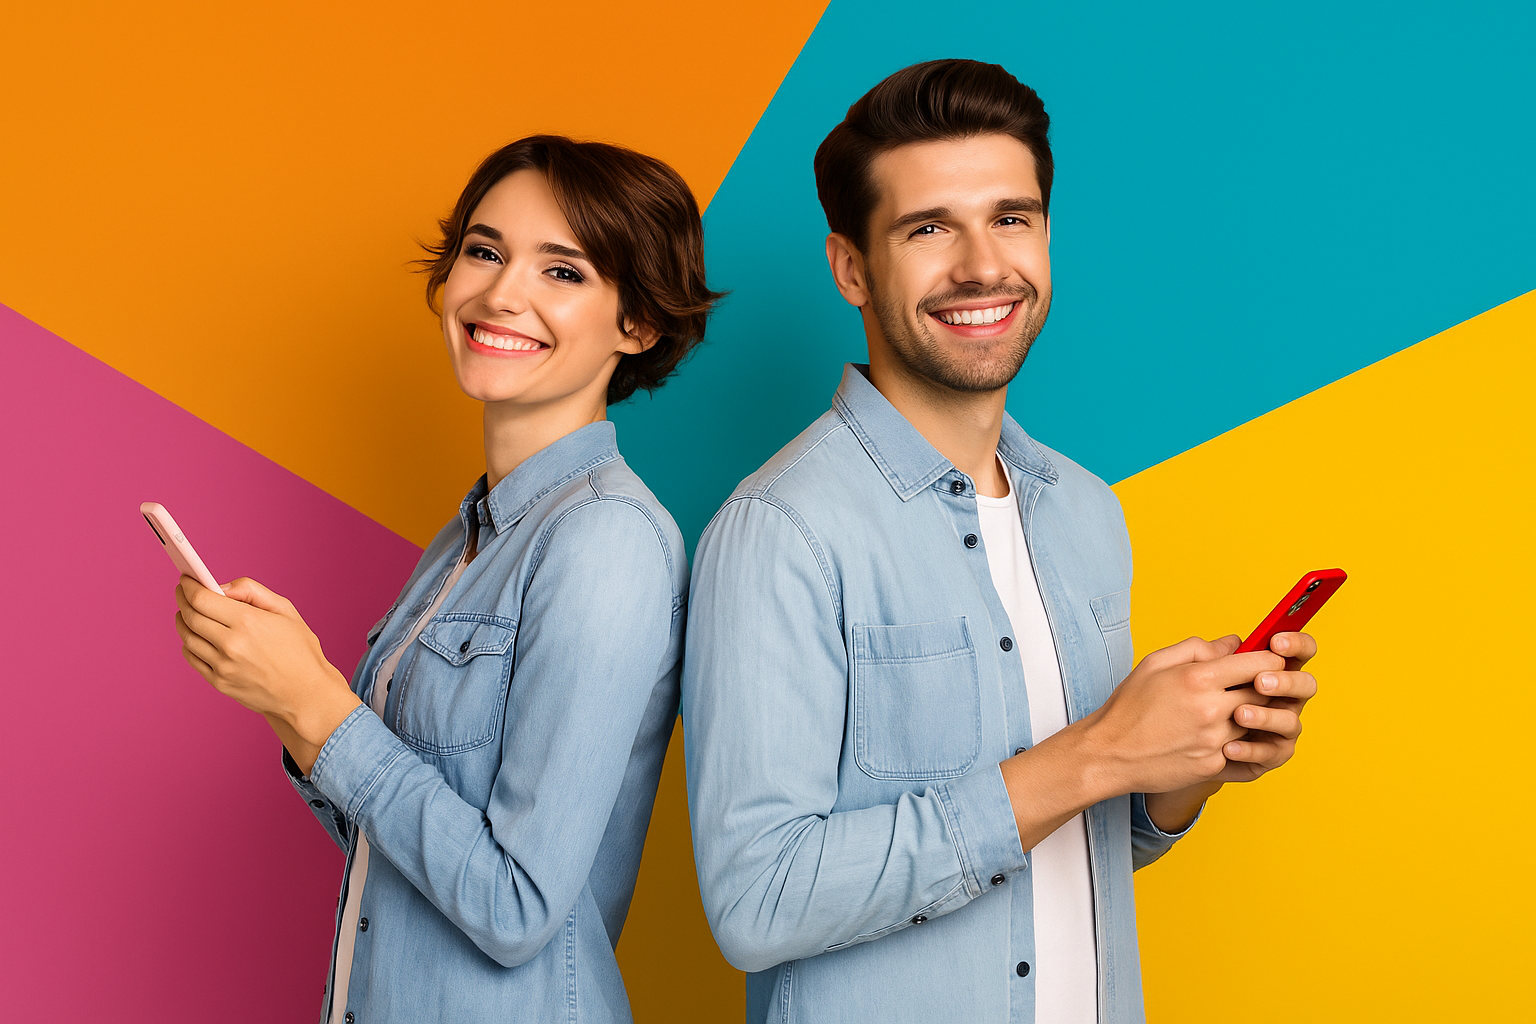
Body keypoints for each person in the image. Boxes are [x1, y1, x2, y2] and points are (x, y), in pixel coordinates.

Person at [681, 60, 1319, 1023]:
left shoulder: (1086, 511)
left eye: (1011, 218)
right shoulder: (781, 530)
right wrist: (1098, 753)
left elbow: (1078, 845)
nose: (983, 266)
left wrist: (1179, 768)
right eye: (929, 228)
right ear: (851, 268)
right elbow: (756, 902)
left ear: (1046, 236)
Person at [173, 135, 720, 1022]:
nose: (501, 294)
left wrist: (319, 705)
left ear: (639, 324)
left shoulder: (607, 540)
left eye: (563, 271)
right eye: (485, 251)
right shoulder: (465, 538)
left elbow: (516, 905)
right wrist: (286, 698)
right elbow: (393, 850)